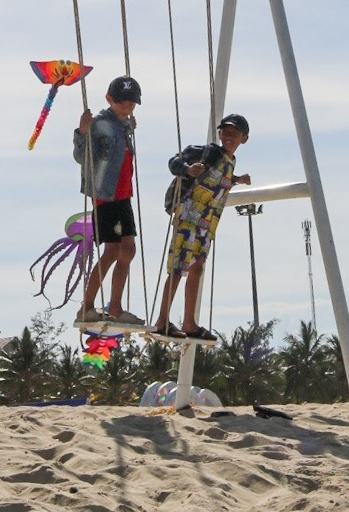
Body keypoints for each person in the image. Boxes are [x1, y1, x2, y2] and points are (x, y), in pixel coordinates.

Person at [151, 114, 251, 340]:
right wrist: (187, 169)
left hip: (207, 223)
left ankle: (189, 323)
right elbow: (174, 162)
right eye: (225, 132)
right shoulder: (208, 152)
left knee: (197, 267)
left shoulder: (229, 161)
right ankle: (162, 320)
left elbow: (218, 178)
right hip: (189, 217)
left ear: (244, 138)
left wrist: (237, 180)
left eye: (234, 133)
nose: (228, 136)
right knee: (178, 267)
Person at [73, 75, 144, 325]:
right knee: (113, 250)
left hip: (123, 195)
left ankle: (115, 306)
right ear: (110, 100)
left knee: (129, 250)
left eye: (132, 102)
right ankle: (87, 306)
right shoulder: (101, 123)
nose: (128, 105)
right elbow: (82, 156)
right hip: (106, 196)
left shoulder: (123, 124)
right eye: (123, 101)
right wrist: (82, 132)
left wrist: (129, 127)